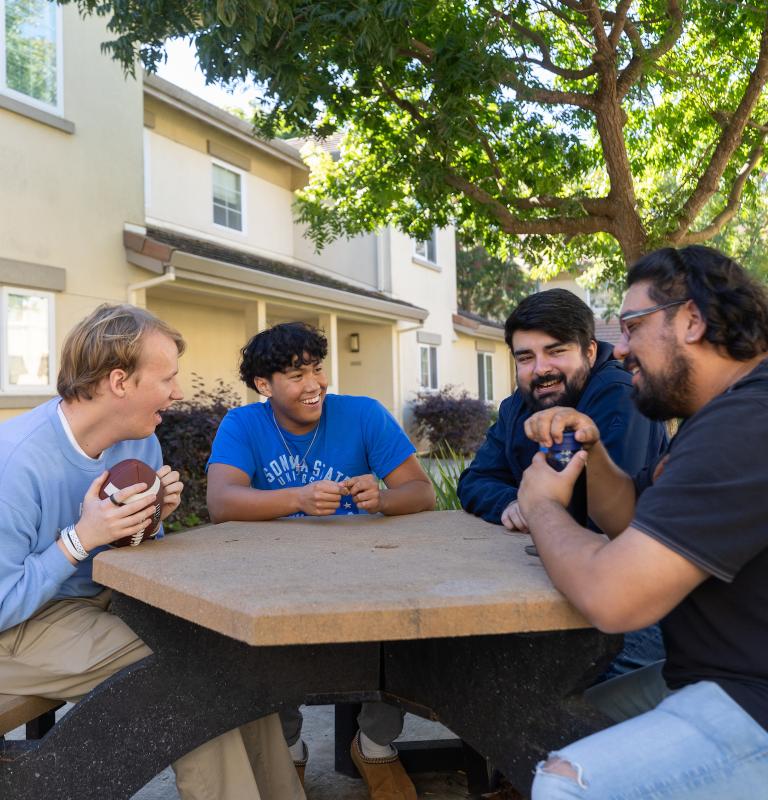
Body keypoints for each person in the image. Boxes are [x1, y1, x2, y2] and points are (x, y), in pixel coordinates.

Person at [0, 305, 304, 800]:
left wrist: (147, 522)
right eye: (167, 378)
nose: (178, 392)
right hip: (19, 626)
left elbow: (133, 557)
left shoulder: (138, 446)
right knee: (185, 677)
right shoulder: (14, 463)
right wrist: (80, 539)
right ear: (120, 381)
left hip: (93, 606)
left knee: (231, 658)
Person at [519, 246, 768, 799]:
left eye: (631, 326)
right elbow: (631, 516)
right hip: (707, 680)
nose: (622, 349)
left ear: (692, 319)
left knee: (567, 784)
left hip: (751, 700)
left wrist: (541, 507)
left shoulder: (747, 424)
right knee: (540, 725)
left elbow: (614, 599)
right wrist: (593, 447)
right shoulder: (720, 416)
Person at [207, 321, 435, 800]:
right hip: (276, 580)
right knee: (264, 649)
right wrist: (298, 499)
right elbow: (222, 502)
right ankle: (287, 748)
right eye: (295, 375)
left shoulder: (364, 414)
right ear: (263, 385)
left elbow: (421, 491)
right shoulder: (243, 424)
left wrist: (382, 499)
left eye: (316, 369)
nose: (313, 385)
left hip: (367, 574)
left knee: (404, 640)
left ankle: (374, 744)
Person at [457, 288, 667, 676]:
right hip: (550, 587)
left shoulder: (621, 396)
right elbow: (475, 480)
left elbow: (604, 523)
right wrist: (513, 503)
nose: (541, 369)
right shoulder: (517, 405)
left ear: (589, 351)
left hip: (635, 607)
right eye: (526, 357)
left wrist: (541, 507)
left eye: (556, 352)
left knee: (553, 698)